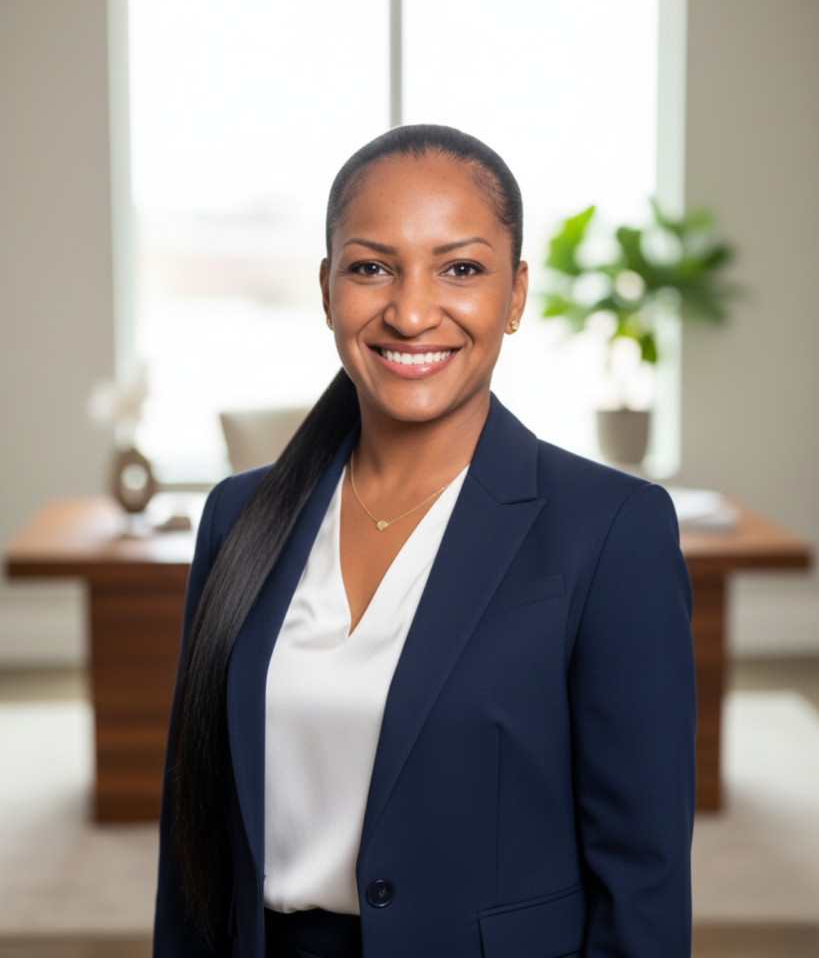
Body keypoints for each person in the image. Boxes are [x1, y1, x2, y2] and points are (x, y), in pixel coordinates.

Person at [153, 125, 696, 958]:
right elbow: (192, 843)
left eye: (460, 268)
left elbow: (643, 873)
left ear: (514, 296)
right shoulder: (239, 515)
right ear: (327, 288)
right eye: (371, 266)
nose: (410, 311)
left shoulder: (611, 528)